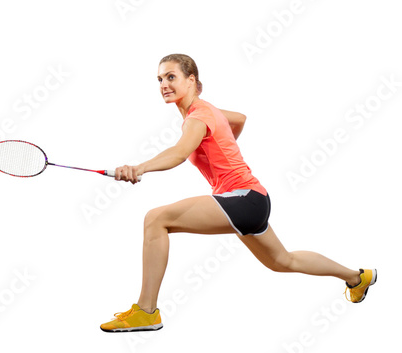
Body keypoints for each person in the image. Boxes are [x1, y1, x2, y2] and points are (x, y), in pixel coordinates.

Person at [100, 54, 376, 333]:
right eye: (160, 79)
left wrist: (139, 168)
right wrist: (224, 145)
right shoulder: (207, 111)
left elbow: (180, 153)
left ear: (191, 80)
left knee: (155, 219)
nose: (163, 84)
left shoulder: (198, 117)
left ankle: (147, 311)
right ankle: (356, 277)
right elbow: (239, 119)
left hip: (243, 197)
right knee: (283, 261)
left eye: (171, 77)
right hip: (253, 199)